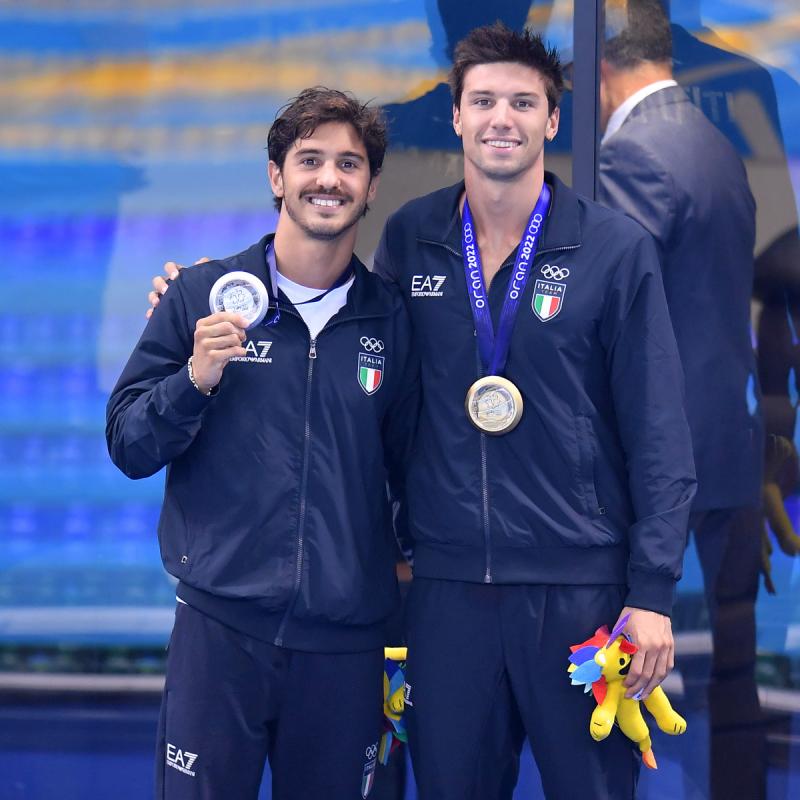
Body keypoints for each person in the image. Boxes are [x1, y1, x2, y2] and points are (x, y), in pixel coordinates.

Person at [372, 23, 695, 799]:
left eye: (523, 103)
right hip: (447, 595)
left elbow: (658, 430)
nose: (501, 119)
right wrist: (209, 293)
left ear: (552, 120)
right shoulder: (413, 239)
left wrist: (651, 592)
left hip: (581, 598)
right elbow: (373, 392)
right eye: (483, 101)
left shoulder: (613, 248)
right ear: (456, 115)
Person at [107, 87, 418, 800]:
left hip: (346, 646)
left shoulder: (392, 322)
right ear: (277, 176)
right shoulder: (200, 296)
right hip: (220, 633)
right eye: (310, 160)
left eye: (349, 163)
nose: (329, 178)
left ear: (371, 186)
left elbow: (415, 475)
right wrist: (194, 379)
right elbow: (128, 443)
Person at [596, 3, 765, 797]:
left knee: (623, 693)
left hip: (661, 466)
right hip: (729, 447)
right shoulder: (715, 145)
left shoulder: (632, 153)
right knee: (729, 681)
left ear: (597, 64)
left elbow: (609, 316)